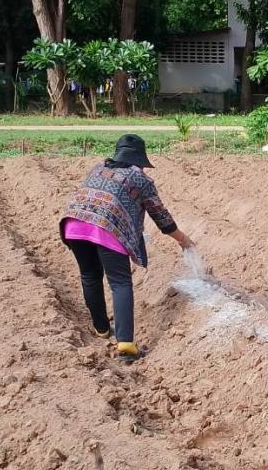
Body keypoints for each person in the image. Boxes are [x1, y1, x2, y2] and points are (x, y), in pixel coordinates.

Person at [60, 135, 192, 359]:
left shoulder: (98, 168)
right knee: (120, 283)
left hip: (74, 224)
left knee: (90, 276)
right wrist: (183, 239)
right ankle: (126, 345)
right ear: (140, 159)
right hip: (108, 227)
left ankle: (102, 328)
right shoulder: (140, 179)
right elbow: (161, 216)